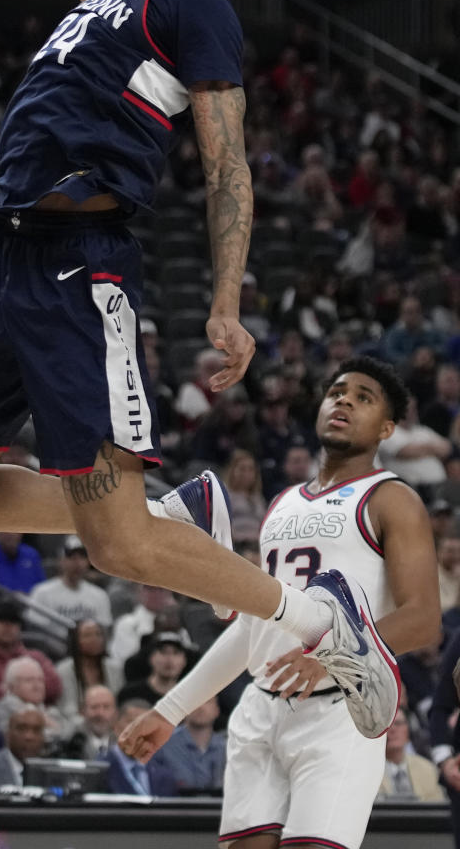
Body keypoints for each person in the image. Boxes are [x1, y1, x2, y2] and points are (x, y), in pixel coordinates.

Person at [0, 0, 398, 739]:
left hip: (76, 260)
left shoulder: (197, 6)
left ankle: (322, 619)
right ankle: (177, 511)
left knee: (121, 547)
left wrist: (227, 302)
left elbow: (228, 165)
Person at [120, 358, 441, 849]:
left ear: (387, 428)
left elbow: (423, 621)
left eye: (363, 397)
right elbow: (253, 628)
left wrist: (330, 655)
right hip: (261, 708)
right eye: (337, 391)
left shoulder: (392, 498)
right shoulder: (283, 502)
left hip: (342, 712)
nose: (344, 401)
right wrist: (170, 710)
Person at [0, 600, 62, 705]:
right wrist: (32, 692)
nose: (8, 626)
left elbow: (55, 687)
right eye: (2, 620)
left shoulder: (36, 657)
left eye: (13, 622)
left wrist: (15, 689)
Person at [27, 536, 113, 638]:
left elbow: (104, 630)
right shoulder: (42, 592)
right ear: (61, 560)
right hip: (53, 649)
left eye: (82, 557)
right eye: (72, 557)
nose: (77, 563)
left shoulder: (100, 595)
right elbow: (37, 630)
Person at [152, 695, 226, 793]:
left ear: (217, 710)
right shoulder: (163, 743)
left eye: (208, 702)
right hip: (172, 806)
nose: (201, 707)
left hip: (217, 807)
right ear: (184, 709)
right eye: (195, 702)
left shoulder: (227, 747)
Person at [56, 619, 124, 721]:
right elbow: (67, 708)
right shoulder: (64, 670)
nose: (94, 639)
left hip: (111, 723)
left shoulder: (115, 668)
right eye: (87, 635)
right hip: (75, 724)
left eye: (98, 634)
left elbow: (119, 703)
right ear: (76, 640)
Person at [378, 707, 445, 800]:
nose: (392, 730)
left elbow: (438, 809)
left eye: (398, 723)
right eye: (387, 725)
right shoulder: (367, 770)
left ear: (408, 730)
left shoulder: (428, 769)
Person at [64, 683, 118, 760]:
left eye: (106, 707)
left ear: (115, 712)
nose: (100, 713)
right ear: (83, 711)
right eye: (94, 707)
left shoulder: (123, 743)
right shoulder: (70, 742)